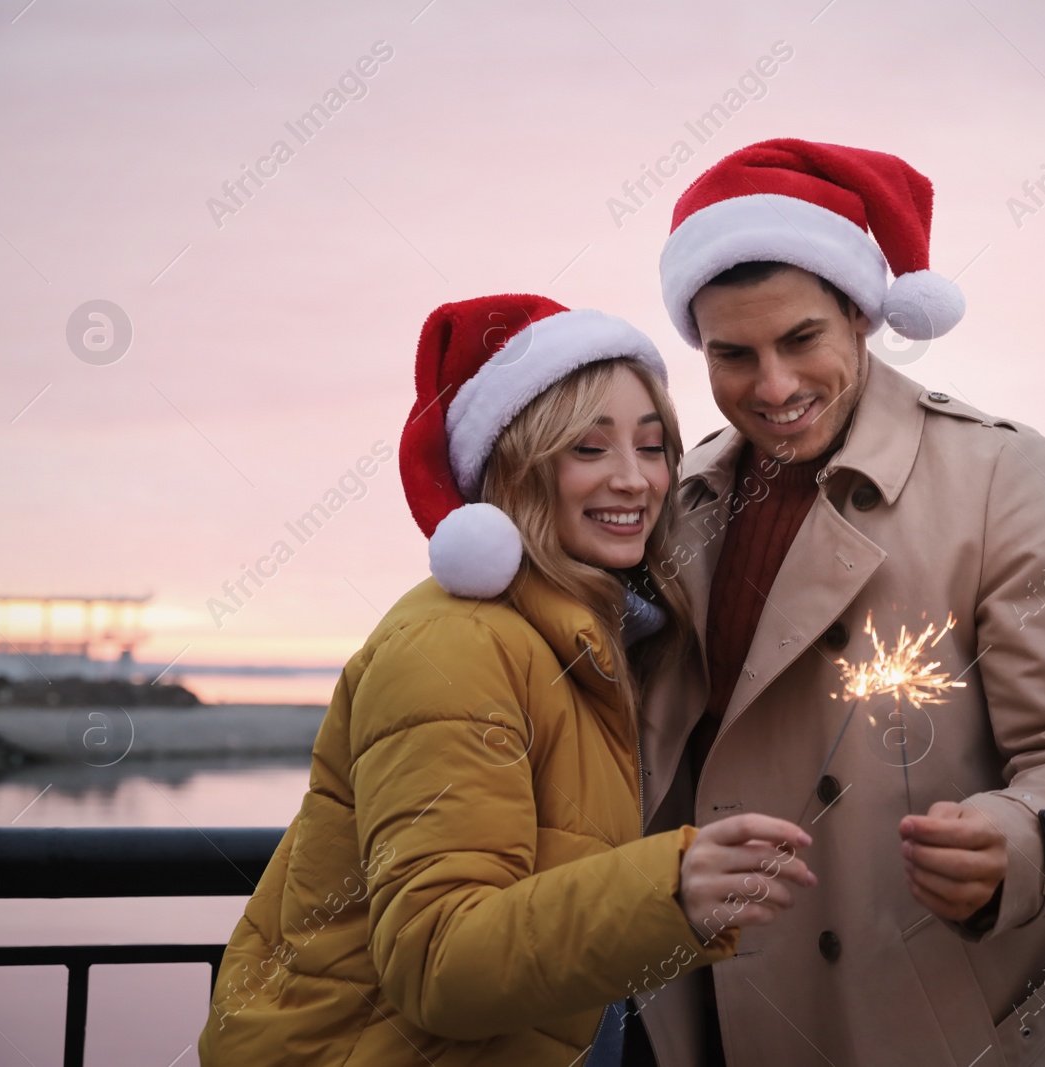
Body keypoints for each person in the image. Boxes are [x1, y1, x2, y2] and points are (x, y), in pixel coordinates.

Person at [627, 140, 1045, 1066]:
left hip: (910, 1023)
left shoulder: (1001, 476)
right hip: (694, 1016)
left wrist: (1018, 838)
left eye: (801, 341)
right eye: (734, 354)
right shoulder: (679, 499)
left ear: (862, 317)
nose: (775, 388)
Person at [198, 294, 816, 1067]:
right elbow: (438, 960)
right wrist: (670, 890)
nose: (635, 480)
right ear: (518, 466)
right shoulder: (457, 646)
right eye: (589, 449)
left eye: (653, 447)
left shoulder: (584, 640)